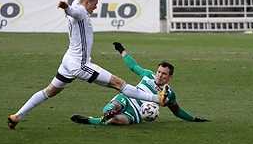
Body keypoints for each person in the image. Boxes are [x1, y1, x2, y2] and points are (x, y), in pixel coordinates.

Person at [7, 0, 164, 129]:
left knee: (48, 92)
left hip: (68, 61)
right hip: (80, 65)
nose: (96, 8)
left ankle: (17, 116)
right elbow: (74, 12)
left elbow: (80, 1)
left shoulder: (79, 2)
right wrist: (66, 8)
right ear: (88, 2)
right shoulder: (80, 10)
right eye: (95, 4)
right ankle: (158, 98)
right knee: (119, 84)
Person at [71, 42, 209, 125]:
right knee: (112, 107)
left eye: (164, 74)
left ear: (170, 77)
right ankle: (108, 113)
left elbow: (177, 111)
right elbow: (133, 66)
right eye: (159, 72)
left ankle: (89, 120)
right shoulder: (148, 74)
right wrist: (122, 50)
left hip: (138, 113)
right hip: (128, 98)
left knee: (116, 121)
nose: (160, 75)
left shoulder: (170, 93)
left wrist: (194, 119)